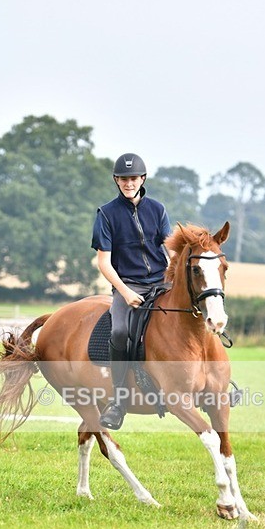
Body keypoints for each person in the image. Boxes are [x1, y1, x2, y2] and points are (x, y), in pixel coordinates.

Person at [91, 153, 172, 430]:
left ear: (143, 179)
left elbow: (170, 249)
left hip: (160, 282)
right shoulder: (106, 214)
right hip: (128, 284)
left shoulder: (158, 209)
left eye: (133, 178)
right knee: (119, 332)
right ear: (116, 180)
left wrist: (173, 280)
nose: (129, 183)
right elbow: (104, 262)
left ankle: (216, 382)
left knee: (193, 315)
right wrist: (125, 292)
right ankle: (118, 401)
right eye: (124, 179)